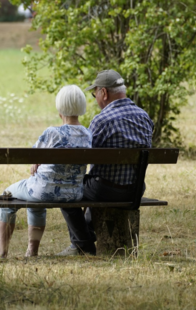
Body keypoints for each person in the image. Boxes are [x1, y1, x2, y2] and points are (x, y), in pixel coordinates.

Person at [57, 69, 154, 256]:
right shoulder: (144, 117)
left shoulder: (101, 121)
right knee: (95, 183)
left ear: (104, 93)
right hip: (135, 190)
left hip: (106, 190)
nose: (96, 99)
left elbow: (84, 158)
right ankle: (83, 240)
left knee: (65, 189)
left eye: (95, 95)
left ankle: (82, 244)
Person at [0, 85, 92, 259]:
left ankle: (2, 252)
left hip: (43, 191)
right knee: (35, 197)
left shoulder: (52, 133)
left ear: (59, 109)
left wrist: (36, 162)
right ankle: (31, 251)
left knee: (7, 196)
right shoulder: (87, 134)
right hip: (73, 194)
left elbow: (33, 156)